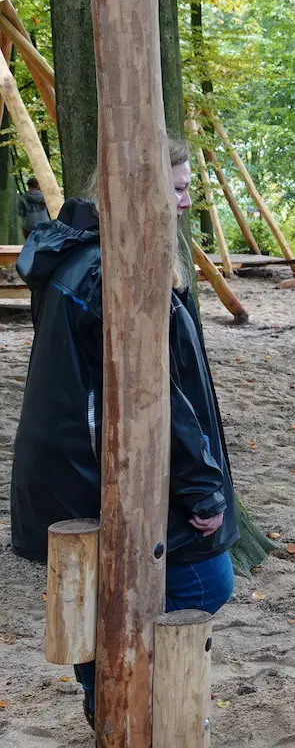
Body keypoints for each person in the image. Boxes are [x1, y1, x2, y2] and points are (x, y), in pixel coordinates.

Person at [9, 139, 239, 728]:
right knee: (202, 583)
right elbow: (152, 398)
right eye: (179, 188)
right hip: (103, 477)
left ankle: (116, 709)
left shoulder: (84, 252)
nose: (187, 202)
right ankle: (126, 712)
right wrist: (203, 492)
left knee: (108, 609)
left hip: (71, 473)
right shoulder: (117, 272)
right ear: (138, 190)